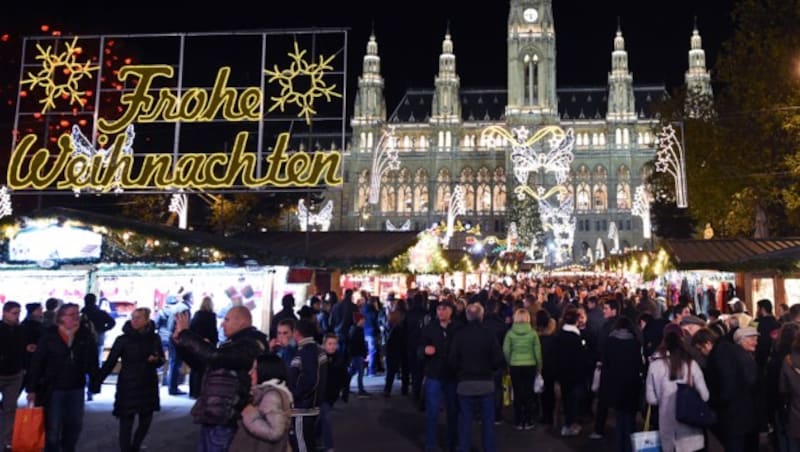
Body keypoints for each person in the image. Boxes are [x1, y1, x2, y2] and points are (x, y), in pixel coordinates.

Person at [173, 306, 268, 452]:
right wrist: (180, 344)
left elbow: (215, 357)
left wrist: (186, 335)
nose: (222, 324)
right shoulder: (233, 344)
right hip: (215, 415)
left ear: (242, 322)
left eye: (227, 320)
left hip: (227, 418)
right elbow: (203, 364)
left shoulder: (251, 344)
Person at [26, 303, 99, 452]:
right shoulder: (49, 336)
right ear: (61, 317)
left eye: (77, 314)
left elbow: (92, 361)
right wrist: (31, 388)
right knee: (53, 426)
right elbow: (37, 363)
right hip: (53, 388)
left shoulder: (85, 335)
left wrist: (94, 382)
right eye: (71, 314)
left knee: (75, 425)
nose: (76, 317)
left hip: (76, 386)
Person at [95, 307, 165, 452]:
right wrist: (98, 379)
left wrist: (156, 360)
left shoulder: (154, 338)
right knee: (126, 420)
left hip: (148, 383)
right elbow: (111, 361)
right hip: (128, 383)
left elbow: (161, 359)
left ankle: (136, 446)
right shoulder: (123, 339)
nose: (134, 320)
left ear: (147, 320)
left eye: (138, 318)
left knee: (146, 420)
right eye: (133, 317)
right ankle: (126, 449)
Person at [692, 327, 759, 452]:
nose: (701, 353)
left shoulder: (717, 356)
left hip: (732, 415)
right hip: (747, 411)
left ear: (707, 344)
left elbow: (726, 388)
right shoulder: (731, 349)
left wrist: (714, 402)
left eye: (700, 349)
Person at [449, 303, 504, 452]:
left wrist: (459, 372)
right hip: (486, 382)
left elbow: (452, 359)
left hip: (465, 382)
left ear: (467, 316)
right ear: (481, 316)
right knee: (488, 423)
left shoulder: (460, 334)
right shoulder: (489, 334)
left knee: (465, 421)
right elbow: (498, 359)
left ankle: (463, 448)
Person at [228, 353, 293, 452]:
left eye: (254, 369)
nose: (250, 373)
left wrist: (249, 414)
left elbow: (275, 432)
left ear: (265, 371)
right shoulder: (264, 393)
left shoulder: (272, 396)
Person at [598, 316, 643, 452]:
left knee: (619, 418)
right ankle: (630, 447)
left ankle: (619, 446)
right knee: (630, 419)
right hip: (631, 386)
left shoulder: (610, 341)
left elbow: (606, 363)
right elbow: (639, 365)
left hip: (615, 385)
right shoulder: (635, 343)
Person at [420, 300, 459, 452]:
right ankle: (431, 444)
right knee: (432, 410)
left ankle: (452, 443)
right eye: (439, 309)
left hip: (451, 374)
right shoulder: (429, 329)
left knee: (453, 411)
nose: (441, 312)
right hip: (434, 373)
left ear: (450, 311)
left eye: (444, 309)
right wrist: (424, 350)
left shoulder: (457, 328)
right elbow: (419, 347)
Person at [288, 319, 328, 452]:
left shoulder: (307, 352)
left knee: (302, 445)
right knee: (307, 443)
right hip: (309, 406)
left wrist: (294, 396)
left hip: (303, 408)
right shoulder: (315, 350)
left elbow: (310, 380)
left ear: (297, 333)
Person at [503, 308, 542, 430]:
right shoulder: (533, 333)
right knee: (529, 392)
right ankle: (528, 419)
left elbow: (506, 350)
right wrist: (539, 367)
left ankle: (518, 420)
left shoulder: (510, 333)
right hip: (530, 365)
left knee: (518, 393)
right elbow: (538, 352)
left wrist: (509, 362)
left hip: (515, 365)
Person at [0, 302, 29, 451]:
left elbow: (23, 349)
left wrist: (23, 367)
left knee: (10, 408)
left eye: (18, 313)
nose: (17, 316)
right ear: (4, 313)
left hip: (15, 373)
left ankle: (7, 441)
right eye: (14, 313)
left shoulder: (21, 330)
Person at [156, 292, 192, 395]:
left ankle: (162, 382)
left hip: (162, 338)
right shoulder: (178, 310)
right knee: (175, 363)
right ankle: (172, 386)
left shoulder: (162, 311)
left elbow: (156, 324)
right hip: (174, 338)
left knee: (163, 361)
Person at [319, 334, 346, 452]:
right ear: (324, 344)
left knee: (321, 419)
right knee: (325, 418)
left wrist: (342, 389)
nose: (333, 346)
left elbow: (343, 376)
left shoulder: (339, 358)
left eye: (335, 344)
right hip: (321, 394)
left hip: (331, 394)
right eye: (330, 344)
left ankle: (317, 440)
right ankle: (329, 446)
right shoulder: (319, 358)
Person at [189, 296, 219, 398]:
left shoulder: (197, 315)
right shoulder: (211, 316)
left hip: (195, 344)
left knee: (194, 368)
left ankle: (193, 391)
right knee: (203, 369)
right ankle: (200, 391)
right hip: (206, 345)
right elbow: (213, 332)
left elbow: (191, 329)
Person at [346, 312, 369, 398]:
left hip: (355, 354)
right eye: (363, 319)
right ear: (359, 320)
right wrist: (364, 353)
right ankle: (360, 389)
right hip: (357, 354)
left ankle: (346, 386)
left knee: (353, 371)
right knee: (360, 371)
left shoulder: (353, 329)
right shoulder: (358, 330)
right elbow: (360, 344)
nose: (364, 321)